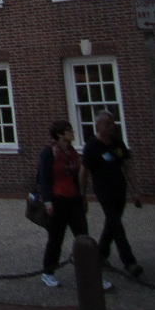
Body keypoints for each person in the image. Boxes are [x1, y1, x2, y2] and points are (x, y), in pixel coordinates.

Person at [38, 120, 110, 291]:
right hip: (57, 201)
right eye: (69, 131)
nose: (72, 133)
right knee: (56, 239)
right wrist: (47, 200)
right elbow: (43, 178)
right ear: (60, 134)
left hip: (74, 200)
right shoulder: (49, 152)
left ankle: (93, 276)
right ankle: (48, 272)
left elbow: (77, 178)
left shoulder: (72, 152)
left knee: (83, 239)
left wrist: (82, 197)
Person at [81, 110, 143, 277]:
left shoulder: (117, 143)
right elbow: (84, 172)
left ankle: (100, 253)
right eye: (108, 123)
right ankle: (129, 262)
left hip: (119, 188)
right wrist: (82, 195)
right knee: (116, 224)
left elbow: (127, 166)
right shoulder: (91, 146)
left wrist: (136, 190)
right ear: (98, 125)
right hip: (103, 190)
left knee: (112, 222)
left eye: (113, 123)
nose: (112, 126)